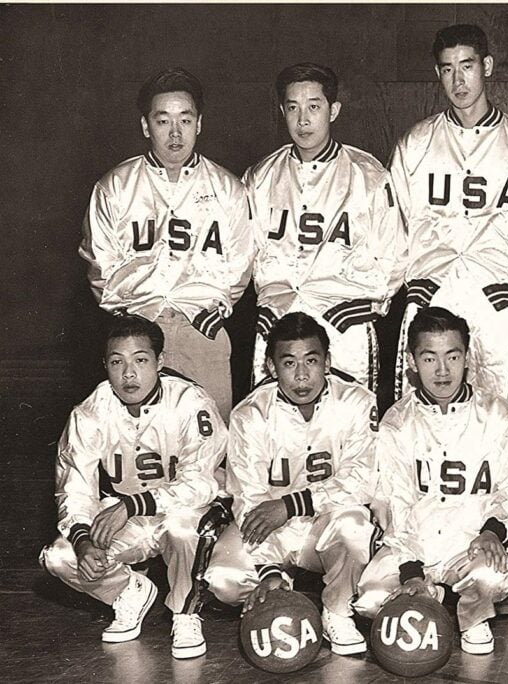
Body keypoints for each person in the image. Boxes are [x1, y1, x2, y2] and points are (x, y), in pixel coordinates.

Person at [40, 315, 227, 659]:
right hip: (129, 519)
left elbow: (201, 483)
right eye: (117, 362)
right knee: (60, 556)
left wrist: (133, 504)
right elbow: (73, 488)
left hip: (183, 512)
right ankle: (129, 591)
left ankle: (186, 612)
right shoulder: (89, 412)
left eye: (140, 360)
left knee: (184, 526)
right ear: (105, 365)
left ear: (160, 362)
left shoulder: (191, 402)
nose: (128, 374)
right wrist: (82, 541)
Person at [390, 24, 508, 407]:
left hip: (493, 296)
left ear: (488, 66)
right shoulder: (417, 143)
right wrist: (416, 278)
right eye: (447, 69)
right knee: (422, 411)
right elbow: (394, 222)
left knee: (500, 407)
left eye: (467, 65)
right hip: (432, 293)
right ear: (437, 74)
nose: (458, 80)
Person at [79, 67, 254, 421]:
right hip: (138, 331)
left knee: (210, 440)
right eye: (163, 121)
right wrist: (130, 317)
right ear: (146, 126)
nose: (175, 133)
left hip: (201, 330)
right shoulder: (115, 186)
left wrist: (210, 311)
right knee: (138, 440)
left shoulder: (228, 188)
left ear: (199, 124)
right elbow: (99, 263)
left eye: (185, 120)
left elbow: (241, 263)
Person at [203, 312, 381, 656]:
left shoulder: (358, 402)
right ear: (271, 367)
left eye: (311, 360)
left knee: (356, 527)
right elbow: (249, 499)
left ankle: (337, 609)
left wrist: (291, 504)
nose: (301, 375)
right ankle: (277, 589)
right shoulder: (249, 414)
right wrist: (268, 570)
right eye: (289, 363)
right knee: (223, 580)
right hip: (270, 529)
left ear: (327, 362)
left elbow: (363, 481)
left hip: (327, 525)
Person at [352, 307, 508, 656]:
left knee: (490, 577)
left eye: (452, 356)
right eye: (429, 358)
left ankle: (473, 616)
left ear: (467, 357)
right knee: (371, 602)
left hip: (472, 540)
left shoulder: (499, 414)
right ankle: (438, 591)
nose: (442, 370)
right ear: (412, 362)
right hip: (414, 544)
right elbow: (394, 503)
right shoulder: (397, 422)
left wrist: (492, 530)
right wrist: (412, 572)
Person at [245, 63, 407, 390]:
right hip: (279, 321)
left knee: (349, 425)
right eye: (293, 108)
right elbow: (245, 251)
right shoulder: (261, 177)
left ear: (333, 111)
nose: (303, 120)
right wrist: (264, 302)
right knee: (276, 424)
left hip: (344, 326)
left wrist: (372, 304)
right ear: (282, 111)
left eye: (314, 107)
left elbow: (395, 254)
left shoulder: (368, 175)